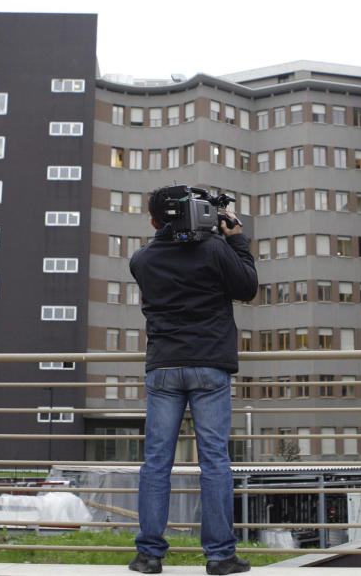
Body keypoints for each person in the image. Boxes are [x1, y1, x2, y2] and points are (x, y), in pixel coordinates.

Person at [127, 187, 258, 575]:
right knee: (214, 460)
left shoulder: (141, 260)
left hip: (164, 367)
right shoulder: (215, 250)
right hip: (209, 366)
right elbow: (247, 287)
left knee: (156, 462)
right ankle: (219, 556)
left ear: (154, 222)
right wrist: (236, 240)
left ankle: (149, 555)